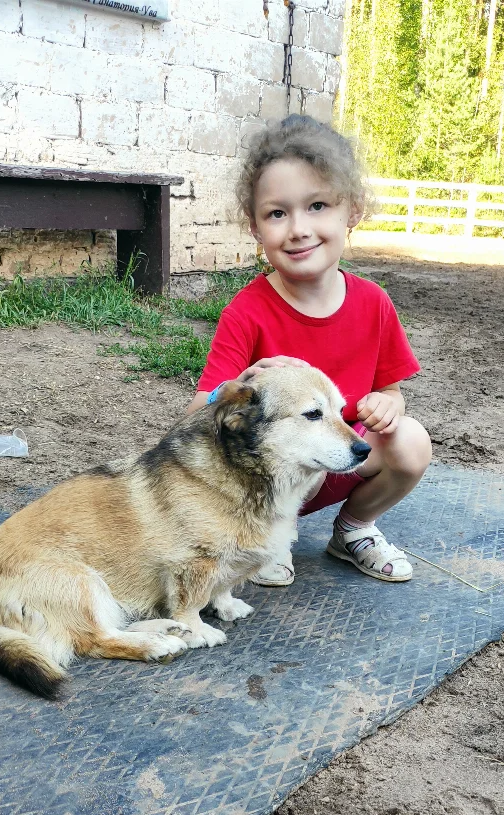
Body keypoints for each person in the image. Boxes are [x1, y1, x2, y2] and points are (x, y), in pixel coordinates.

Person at [187, 115, 431, 585]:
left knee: (411, 441)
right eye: (277, 213)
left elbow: (391, 392)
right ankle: (269, 535)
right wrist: (236, 388)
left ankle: (354, 529)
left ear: (352, 210)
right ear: (255, 228)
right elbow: (200, 413)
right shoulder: (247, 311)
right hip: (268, 479)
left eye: (317, 205)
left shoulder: (374, 303)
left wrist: (388, 404)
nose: (298, 229)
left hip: (341, 457)